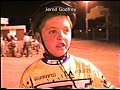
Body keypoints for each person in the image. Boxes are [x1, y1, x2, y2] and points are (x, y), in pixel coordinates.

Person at [19, 1, 115, 89]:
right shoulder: (30, 75)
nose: (61, 36)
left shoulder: (87, 68)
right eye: (52, 31)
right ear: (39, 37)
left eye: (66, 31)